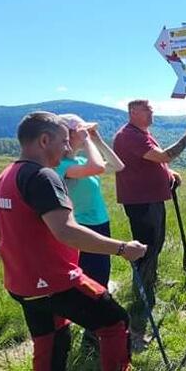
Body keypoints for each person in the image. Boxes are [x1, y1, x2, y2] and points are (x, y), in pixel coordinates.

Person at [0, 112, 146, 371]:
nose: (66, 148)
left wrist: (7, 244)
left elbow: (15, 223)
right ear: (43, 140)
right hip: (55, 280)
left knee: (50, 343)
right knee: (115, 322)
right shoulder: (42, 177)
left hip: (22, 283)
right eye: (62, 141)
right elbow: (66, 231)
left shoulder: (6, 175)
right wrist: (121, 248)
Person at [113, 99, 186, 350]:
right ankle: (143, 297)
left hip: (151, 198)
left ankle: (150, 283)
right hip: (141, 201)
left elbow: (156, 160)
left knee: (156, 244)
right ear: (133, 112)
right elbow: (163, 155)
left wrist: (167, 172)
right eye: (147, 110)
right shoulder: (129, 136)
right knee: (146, 247)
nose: (152, 113)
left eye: (151, 109)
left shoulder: (142, 133)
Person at [54, 114, 125, 350]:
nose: (84, 134)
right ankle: (94, 332)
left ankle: (95, 329)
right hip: (83, 227)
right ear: (68, 135)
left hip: (99, 223)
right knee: (93, 278)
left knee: (101, 274)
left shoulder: (81, 160)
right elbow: (96, 167)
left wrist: (98, 140)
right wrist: (87, 140)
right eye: (80, 131)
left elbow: (118, 166)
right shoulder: (62, 166)